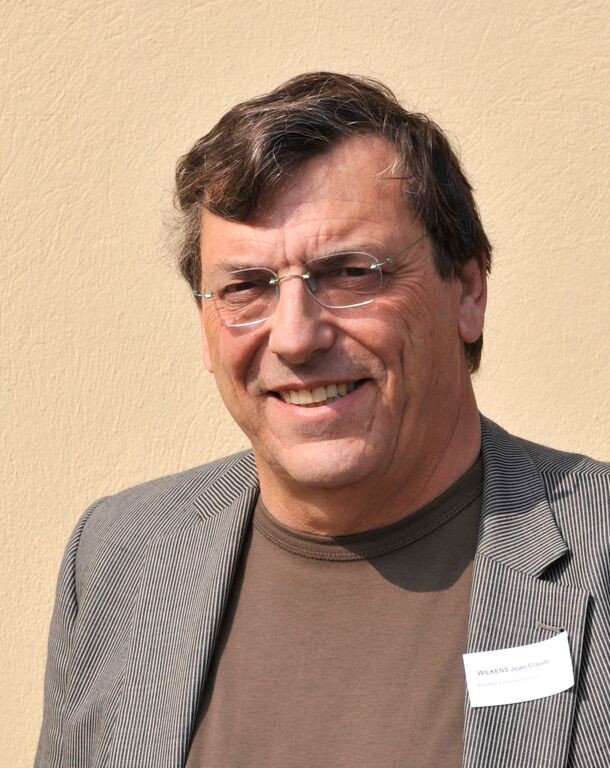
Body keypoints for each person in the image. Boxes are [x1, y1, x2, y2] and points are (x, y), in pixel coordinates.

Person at [35, 72, 609, 768]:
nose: (296, 337)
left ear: (467, 292)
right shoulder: (118, 558)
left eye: (350, 273)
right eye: (245, 287)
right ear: (205, 328)